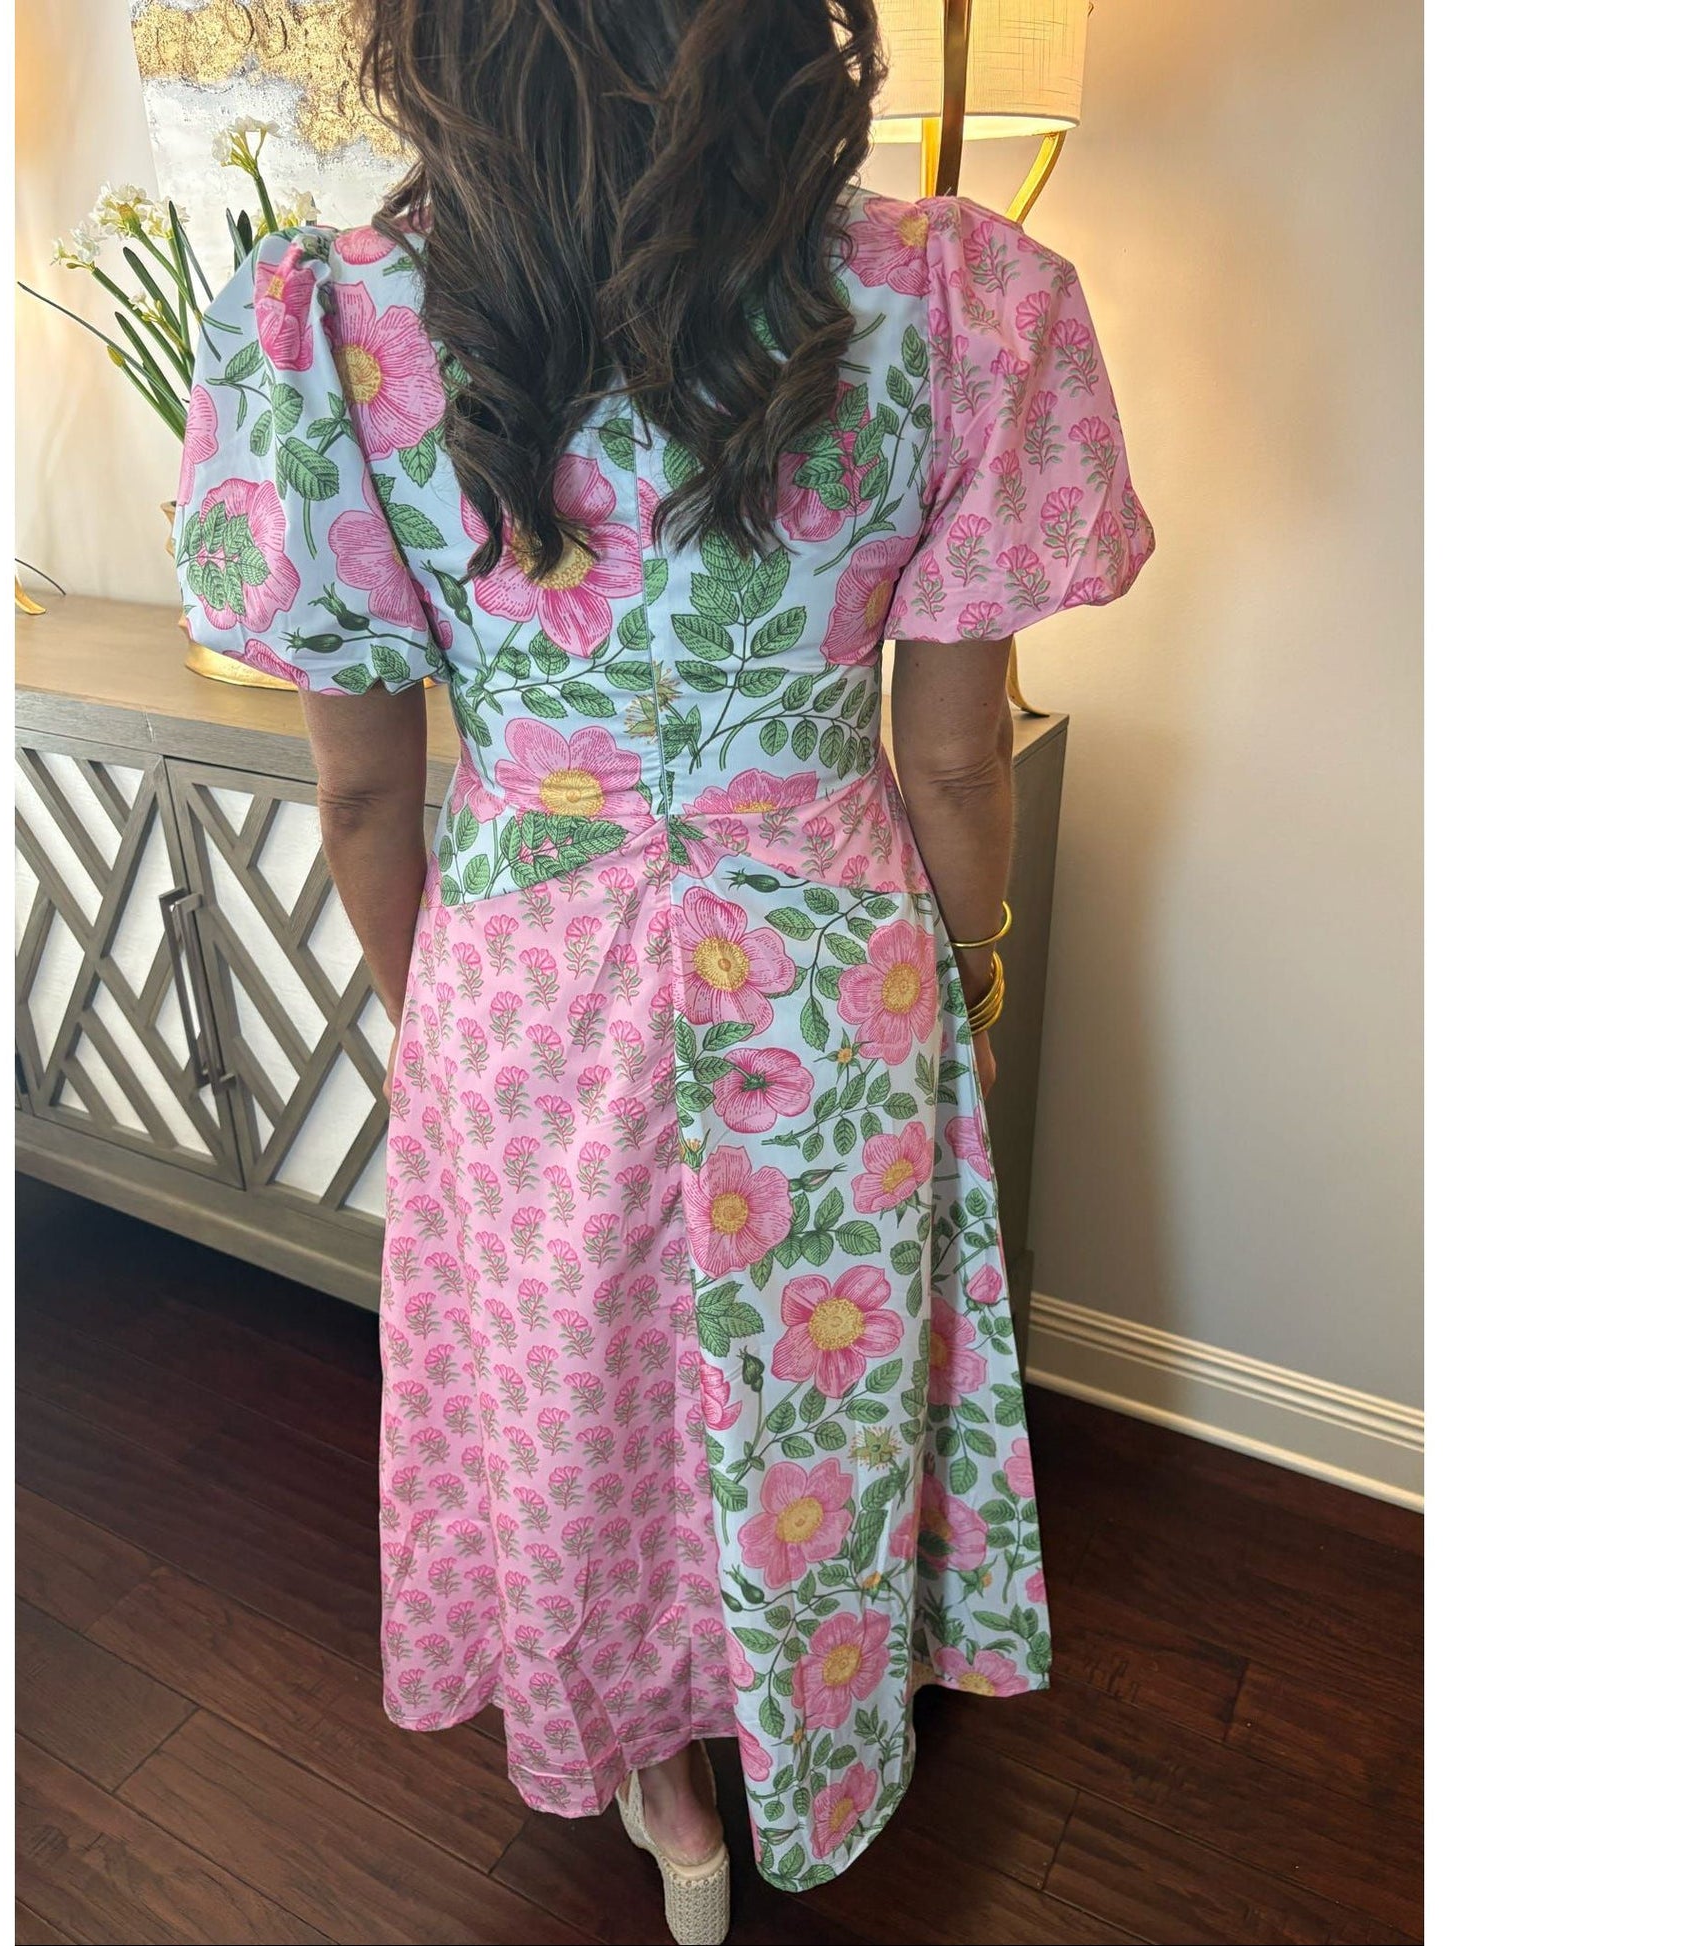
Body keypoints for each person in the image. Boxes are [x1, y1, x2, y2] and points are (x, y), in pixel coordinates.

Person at [173, 3, 1151, 1938]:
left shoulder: (334, 324)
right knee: (815, 1381)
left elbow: (368, 798)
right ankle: (809, 1731)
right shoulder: (954, 298)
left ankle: (667, 1804)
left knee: (574, 1391)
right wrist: (971, 983)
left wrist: (436, 1013)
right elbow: (953, 757)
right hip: (835, 959)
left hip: (525, 949)